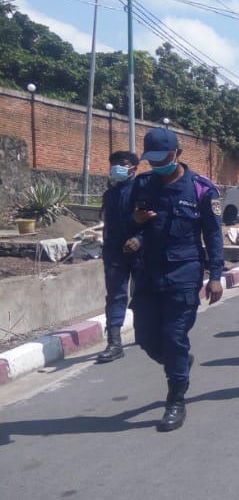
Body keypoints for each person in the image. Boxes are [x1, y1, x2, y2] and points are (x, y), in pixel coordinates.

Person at [128, 128, 224, 431]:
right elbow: (127, 224)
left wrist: (216, 277)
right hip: (147, 273)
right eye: (152, 160)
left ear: (178, 155)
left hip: (183, 273)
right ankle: (180, 360)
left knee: (173, 335)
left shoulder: (201, 189)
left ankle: (175, 400)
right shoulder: (142, 185)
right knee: (145, 337)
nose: (157, 165)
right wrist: (136, 226)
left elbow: (213, 235)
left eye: (163, 159)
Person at [95, 150, 141, 363]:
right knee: (115, 296)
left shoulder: (142, 191)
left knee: (143, 292)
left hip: (140, 251)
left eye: (122, 164)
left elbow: (154, 221)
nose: (117, 168)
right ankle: (114, 342)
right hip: (114, 252)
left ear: (134, 167)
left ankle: (143, 331)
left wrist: (140, 239)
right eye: (114, 164)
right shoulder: (110, 194)